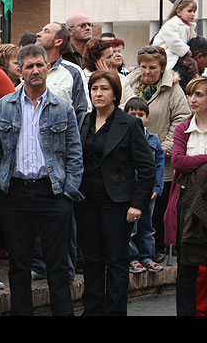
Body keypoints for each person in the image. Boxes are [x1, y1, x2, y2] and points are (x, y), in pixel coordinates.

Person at [0, 44, 84, 316]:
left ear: (48, 68)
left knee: (58, 266)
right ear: (19, 70)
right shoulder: (4, 107)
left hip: (53, 193)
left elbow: (75, 151)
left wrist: (69, 189)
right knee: (18, 265)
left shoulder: (62, 107)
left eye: (40, 64)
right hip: (14, 194)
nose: (35, 70)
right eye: (29, 66)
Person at [77, 71, 156, 316]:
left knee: (116, 260)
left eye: (104, 89)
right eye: (94, 89)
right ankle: (92, 310)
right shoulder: (84, 121)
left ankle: (114, 312)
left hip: (117, 202)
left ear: (115, 94)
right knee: (91, 260)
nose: (98, 94)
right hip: (86, 201)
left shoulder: (129, 124)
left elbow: (147, 168)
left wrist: (138, 204)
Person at [125, 45, 192, 259]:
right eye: (143, 66)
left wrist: (167, 145)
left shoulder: (173, 89)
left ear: (162, 68)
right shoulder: (131, 83)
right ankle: (135, 251)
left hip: (160, 154)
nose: (147, 72)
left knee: (157, 205)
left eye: (152, 67)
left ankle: (157, 248)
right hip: (132, 155)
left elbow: (181, 118)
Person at [162, 76, 207, 315]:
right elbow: (178, 161)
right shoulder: (183, 129)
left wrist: (195, 164)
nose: (192, 99)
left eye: (199, 94)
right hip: (187, 204)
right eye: (191, 94)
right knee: (186, 267)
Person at [124, 97, 165, 274]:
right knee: (131, 227)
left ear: (147, 117)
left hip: (148, 192)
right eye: (132, 114)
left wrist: (157, 188)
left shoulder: (153, 140)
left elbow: (158, 166)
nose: (137, 117)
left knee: (147, 226)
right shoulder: (123, 137)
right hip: (130, 191)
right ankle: (132, 258)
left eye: (141, 114)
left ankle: (147, 256)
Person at [36, 22, 90, 124]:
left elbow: (83, 112)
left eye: (46, 31)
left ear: (58, 42)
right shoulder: (27, 70)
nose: (38, 34)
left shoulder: (73, 72)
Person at [82, 37, 136, 106]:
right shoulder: (83, 78)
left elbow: (132, 104)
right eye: (109, 57)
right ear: (96, 60)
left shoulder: (121, 78)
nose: (112, 60)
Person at [152, 0, 198, 71]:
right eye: (189, 11)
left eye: (194, 11)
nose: (192, 14)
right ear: (179, 12)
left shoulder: (190, 26)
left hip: (177, 56)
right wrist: (187, 51)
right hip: (166, 57)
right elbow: (173, 42)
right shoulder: (171, 24)